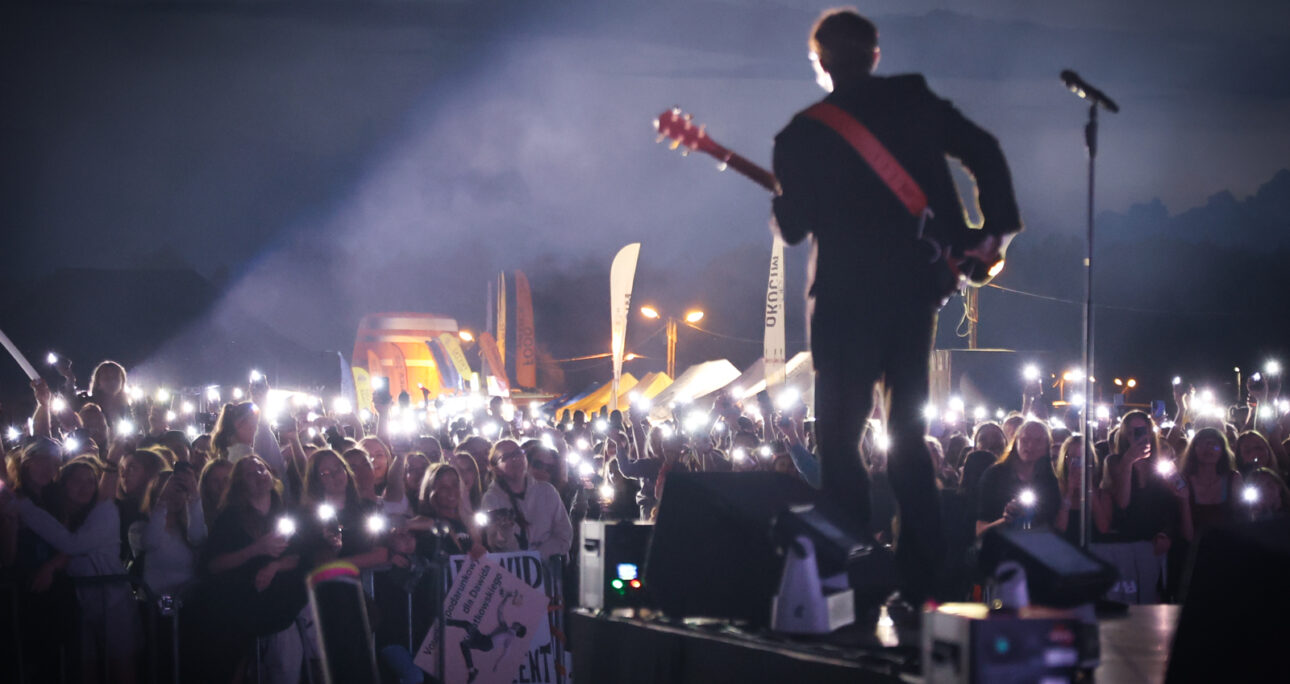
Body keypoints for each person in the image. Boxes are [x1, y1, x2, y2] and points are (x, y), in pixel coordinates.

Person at [771, 8, 1021, 601]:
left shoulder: (801, 133)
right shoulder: (914, 99)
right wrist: (997, 230)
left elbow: (792, 226)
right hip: (913, 295)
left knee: (838, 440)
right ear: (876, 55)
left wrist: (787, 198)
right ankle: (923, 583)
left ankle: (847, 576)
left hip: (843, 304)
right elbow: (984, 148)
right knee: (909, 437)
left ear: (821, 64)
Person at [480, 439, 572, 559]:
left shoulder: (547, 492)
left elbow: (564, 535)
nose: (515, 459)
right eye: (506, 456)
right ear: (496, 468)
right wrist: (504, 533)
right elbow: (497, 546)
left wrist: (538, 555)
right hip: (514, 572)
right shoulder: (491, 499)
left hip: (548, 570)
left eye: (518, 453)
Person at [975, 420, 1061, 537]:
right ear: (1016, 442)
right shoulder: (995, 475)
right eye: (1025, 440)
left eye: (1038, 441)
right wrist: (1006, 520)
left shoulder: (1050, 481)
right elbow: (980, 530)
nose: (1030, 445)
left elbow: (1055, 526)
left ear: (1047, 446)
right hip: (1000, 550)